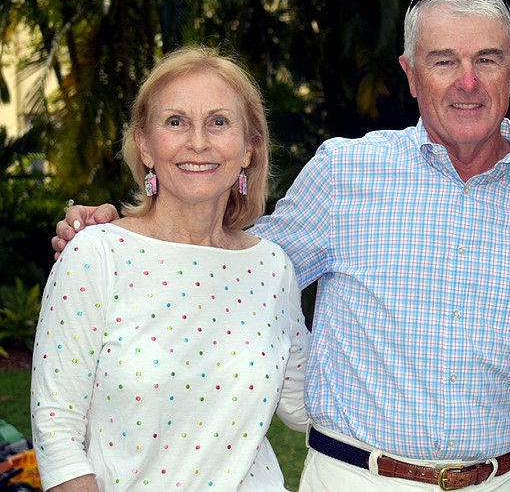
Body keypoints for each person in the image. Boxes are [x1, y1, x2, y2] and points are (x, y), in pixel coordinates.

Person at [53, 0, 510, 491]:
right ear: (410, 74)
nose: (467, 81)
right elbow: (225, 265)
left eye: (487, 59)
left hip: (502, 481)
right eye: (443, 61)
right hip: (356, 481)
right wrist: (126, 234)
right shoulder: (344, 174)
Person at [33, 46, 309, 491]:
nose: (198, 142)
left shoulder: (271, 267)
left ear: (249, 148)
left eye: (219, 122)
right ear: (144, 145)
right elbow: (56, 433)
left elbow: (306, 406)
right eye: (176, 121)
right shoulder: (95, 255)